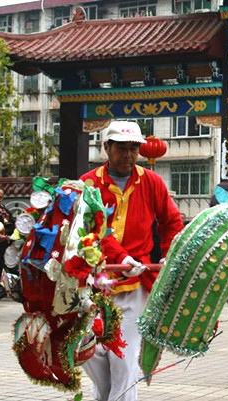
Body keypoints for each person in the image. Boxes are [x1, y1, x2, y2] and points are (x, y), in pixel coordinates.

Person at [80, 121, 183, 401]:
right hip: (93, 285)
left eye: (133, 149)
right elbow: (91, 230)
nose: (128, 155)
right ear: (106, 148)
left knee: (124, 361)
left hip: (135, 286)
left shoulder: (152, 181)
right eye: (121, 148)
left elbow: (172, 222)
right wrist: (121, 257)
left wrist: (168, 253)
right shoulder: (88, 183)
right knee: (88, 351)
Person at [0, 188, 14, 300]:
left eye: (0, 197)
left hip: (1, 247)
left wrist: (7, 218)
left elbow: (11, 230)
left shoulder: (5, 211)